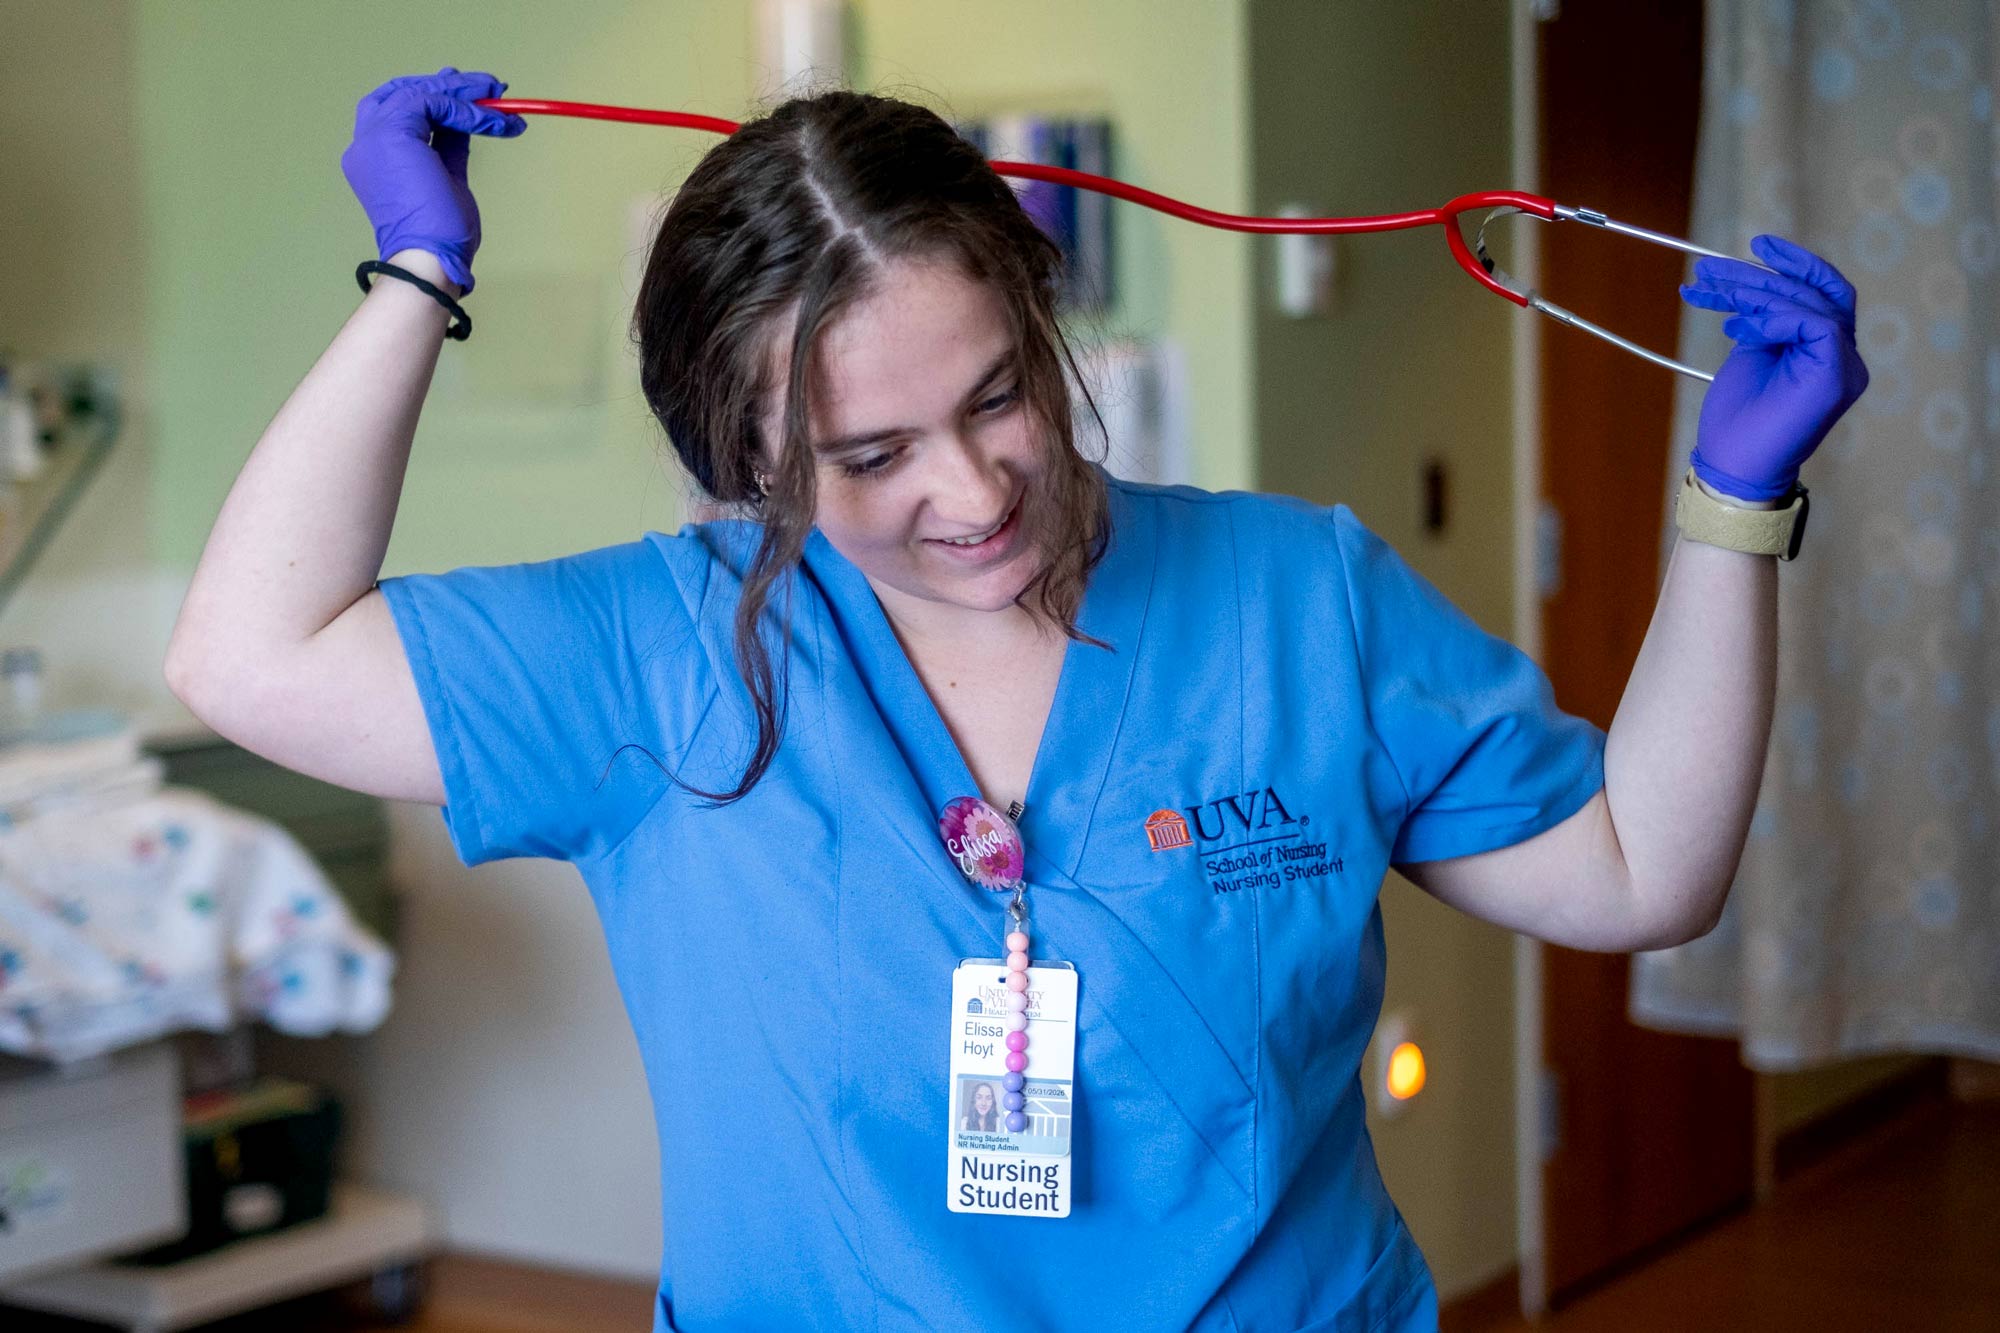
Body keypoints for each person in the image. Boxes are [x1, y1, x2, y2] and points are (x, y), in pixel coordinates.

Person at [163, 68, 1868, 1333]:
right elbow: (250, 661)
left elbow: (1643, 870)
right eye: (870, 453)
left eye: (999, 397)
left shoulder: (1297, 596)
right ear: (743, 459)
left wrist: (1730, 517)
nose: (974, 489)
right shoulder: (661, 656)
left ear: (1045, 314)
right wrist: (414, 277)